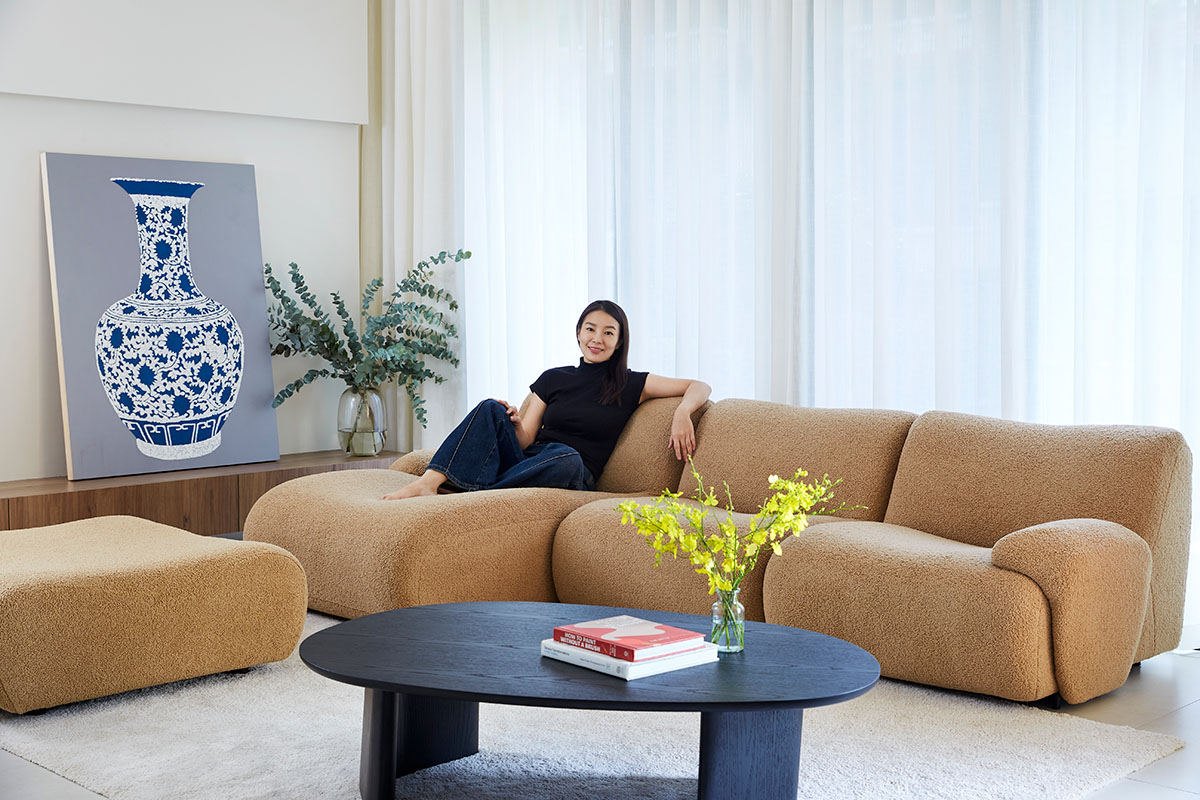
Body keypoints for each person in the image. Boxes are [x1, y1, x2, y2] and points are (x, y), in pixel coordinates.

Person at [383, 299, 711, 499]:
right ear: (578, 333)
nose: (597, 338)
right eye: (590, 329)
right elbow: (525, 440)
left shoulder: (631, 383)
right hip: (531, 462)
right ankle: (430, 483)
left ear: (620, 340)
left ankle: (470, 488)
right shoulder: (553, 378)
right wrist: (510, 419)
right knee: (489, 407)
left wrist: (683, 411)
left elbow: (699, 385)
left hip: (569, 470)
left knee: (567, 457)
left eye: (608, 332)